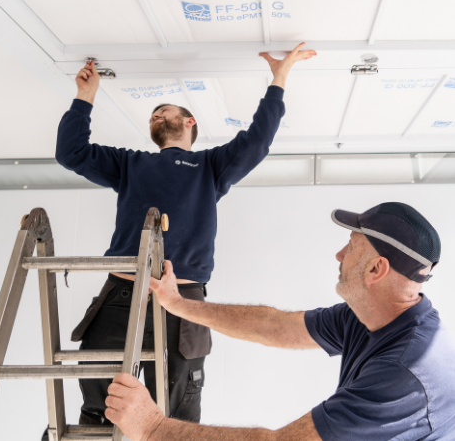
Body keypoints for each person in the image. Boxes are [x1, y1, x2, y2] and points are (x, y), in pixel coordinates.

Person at [53, 43, 317, 429]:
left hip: (184, 304)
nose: (158, 113)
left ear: (190, 122)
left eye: (167, 110)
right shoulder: (130, 163)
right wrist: (85, 97)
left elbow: (258, 141)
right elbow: (71, 152)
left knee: (178, 420)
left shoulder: (210, 166)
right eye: (154, 114)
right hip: (122, 295)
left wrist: (279, 78)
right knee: (99, 411)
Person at [105, 202, 455, 441]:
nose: (339, 255)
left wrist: (151, 428)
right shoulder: (372, 317)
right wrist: (178, 304)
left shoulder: (405, 374)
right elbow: (272, 326)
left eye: (351, 246)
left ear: (377, 269)